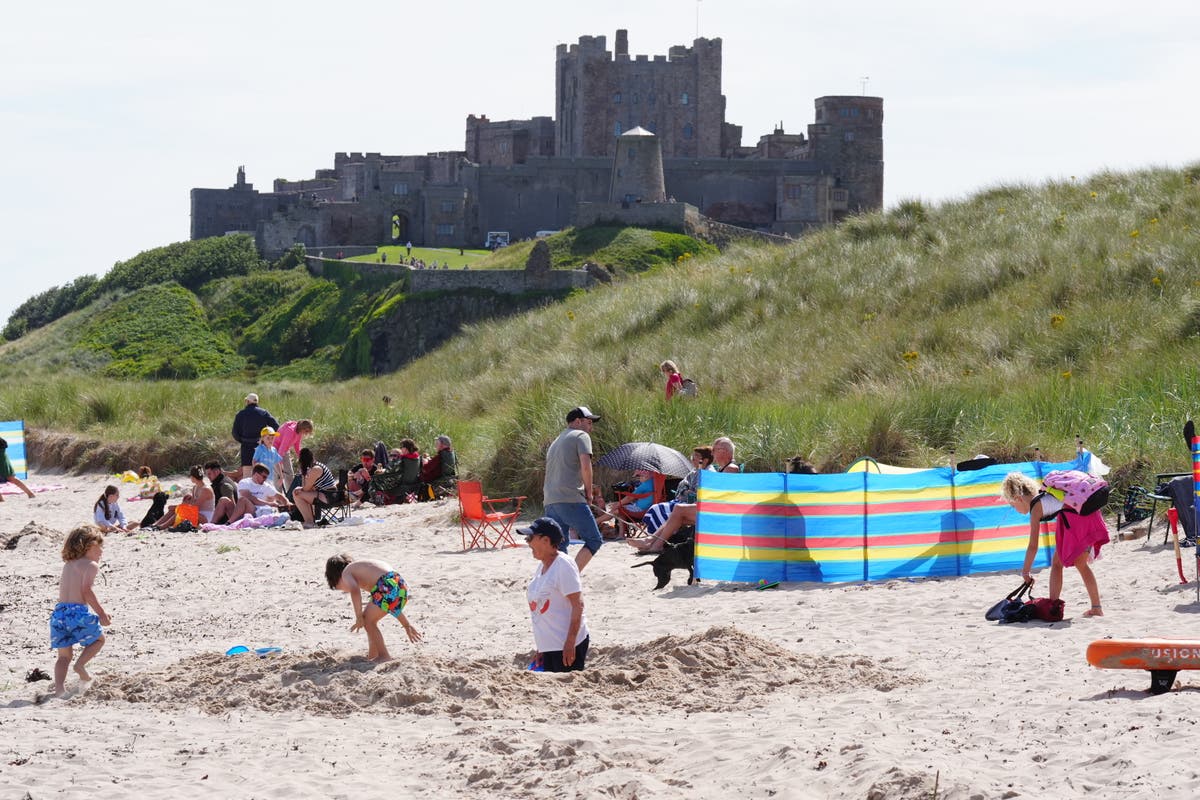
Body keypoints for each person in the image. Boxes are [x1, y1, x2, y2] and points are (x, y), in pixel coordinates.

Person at [1001, 472, 1109, 618]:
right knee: (1057, 563)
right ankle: (1053, 605)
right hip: (1081, 514)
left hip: (1078, 519)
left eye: (1013, 506)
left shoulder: (1036, 508)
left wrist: (1026, 571)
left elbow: (1033, 545)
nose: (1016, 510)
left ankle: (1096, 608)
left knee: (1080, 564)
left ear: (1018, 498)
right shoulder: (1045, 494)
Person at [628, 437, 739, 553]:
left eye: (715, 449)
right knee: (677, 515)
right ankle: (654, 542)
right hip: (713, 508)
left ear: (724, 451)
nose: (712, 453)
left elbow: (724, 496)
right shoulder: (723, 469)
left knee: (679, 509)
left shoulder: (731, 469)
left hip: (719, 512)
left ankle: (653, 542)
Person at [521, 517, 589, 672]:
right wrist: (542, 648)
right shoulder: (542, 566)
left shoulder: (563, 565)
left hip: (566, 646)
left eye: (530, 537)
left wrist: (570, 642)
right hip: (551, 646)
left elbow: (578, 605)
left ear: (546, 540)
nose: (527, 541)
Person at [325, 553, 421, 662]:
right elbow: (391, 603)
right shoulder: (365, 571)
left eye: (340, 588)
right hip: (400, 583)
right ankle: (373, 655)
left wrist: (359, 617)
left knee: (367, 621)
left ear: (337, 577)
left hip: (387, 583)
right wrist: (406, 624)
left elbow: (355, 591)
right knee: (370, 621)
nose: (344, 590)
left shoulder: (346, 572)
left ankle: (384, 655)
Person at [50, 526, 111, 695]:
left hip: (59, 614)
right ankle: (80, 665)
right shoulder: (91, 565)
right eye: (100, 547)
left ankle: (60, 690)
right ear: (89, 545)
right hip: (77, 612)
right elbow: (86, 591)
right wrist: (101, 613)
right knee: (99, 640)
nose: (101, 552)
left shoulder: (68, 564)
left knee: (63, 657)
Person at [543, 406, 604, 572]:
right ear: (578, 421)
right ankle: (571, 576)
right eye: (589, 422)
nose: (591, 428)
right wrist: (589, 493)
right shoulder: (581, 435)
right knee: (594, 539)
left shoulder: (557, 441)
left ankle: (556, 580)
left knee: (559, 545)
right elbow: (586, 466)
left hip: (550, 500)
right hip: (570, 498)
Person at [231, 393, 279, 480]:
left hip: (246, 448)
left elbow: (235, 433)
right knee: (262, 476)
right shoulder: (264, 413)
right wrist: (267, 439)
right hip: (261, 447)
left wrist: (242, 440)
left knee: (247, 477)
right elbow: (276, 427)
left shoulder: (240, 414)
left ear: (247, 401)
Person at [294, 448, 339, 527]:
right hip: (326, 495)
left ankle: (309, 521)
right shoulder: (314, 467)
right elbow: (307, 488)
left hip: (329, 497)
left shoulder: (316, 469)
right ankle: (310, 520)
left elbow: (306, 488)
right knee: (301, 493)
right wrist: (304, 473)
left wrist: (300, 486)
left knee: (297, 494)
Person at [273, 419, 314, 498]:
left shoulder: (299, 432)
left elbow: (297, 447)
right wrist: (279, 464)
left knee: (289, 474)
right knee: (279, 476)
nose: (306, 434)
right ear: (302, 428)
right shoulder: (290, 432)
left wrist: (303, 460)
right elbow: (281, 448)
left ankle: (291, 497)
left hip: (284, 450)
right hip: (275, 450)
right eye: (306, 431)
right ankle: (279, 500)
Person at [253, 427, 285, 491]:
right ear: (262, 438)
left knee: (270, 496)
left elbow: (277, 463)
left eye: (272, 438)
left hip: (270, 478)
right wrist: (257, 474)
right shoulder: (260, 449)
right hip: (260, 478)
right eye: (268, 438)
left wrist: (281, 477)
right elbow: (254, 461)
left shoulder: (274, 450)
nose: (270, 440)